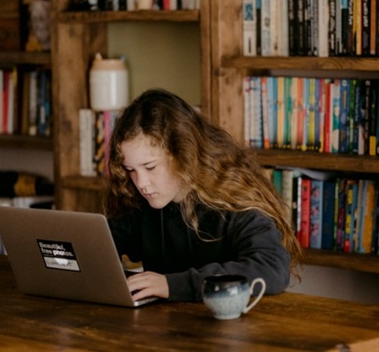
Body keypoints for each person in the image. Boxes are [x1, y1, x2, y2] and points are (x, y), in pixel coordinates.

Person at [105, 88, 305, 302]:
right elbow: (103, 245)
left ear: (184, 154)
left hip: (231, 329)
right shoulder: (139, 202)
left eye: (150, 167)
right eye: (131, 170)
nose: (141, 183)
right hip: (164, 328)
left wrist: (171, 285)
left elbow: (272, 268)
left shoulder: (234, 200)